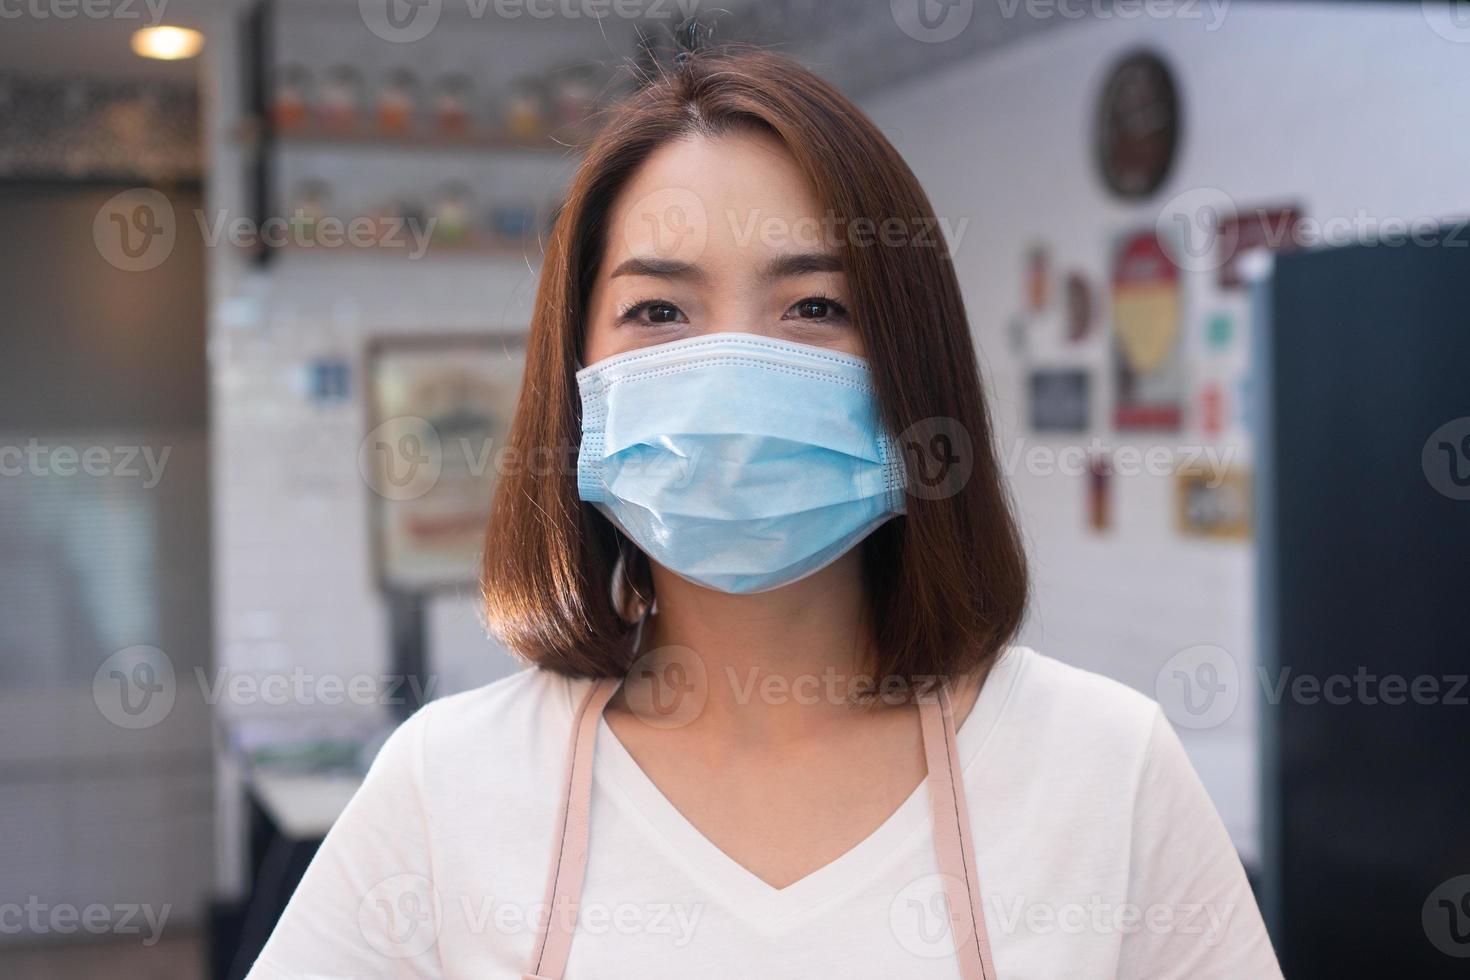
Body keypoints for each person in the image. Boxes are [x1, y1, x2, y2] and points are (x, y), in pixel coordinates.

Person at [246, 46, 1281, 979]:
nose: (732, 372)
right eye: (658, 311)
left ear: (913, 370)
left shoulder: (1106, 770)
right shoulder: (446, 789)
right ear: (578, 379)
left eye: (815, 307)